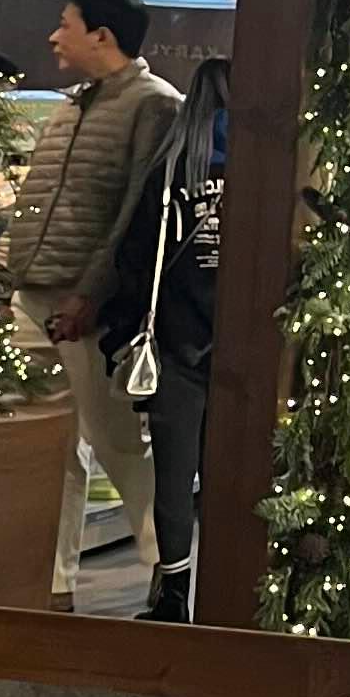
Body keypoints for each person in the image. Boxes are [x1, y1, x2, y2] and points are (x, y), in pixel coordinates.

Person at [0, 0, 181, 599]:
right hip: (33, 295)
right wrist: (7, 270)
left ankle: (169, 567)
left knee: (117, 442)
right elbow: (38, 200)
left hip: (92, 309)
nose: (54, 36)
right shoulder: (70, 106)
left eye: (66, 24)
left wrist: (92, 294)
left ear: (101, 36)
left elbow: (137, 214)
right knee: (44, 447)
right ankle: (48, 583)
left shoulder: (155, 106)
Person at [99, 53, 228, 620]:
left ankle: (174, 592)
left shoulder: (171, 173)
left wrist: (121, 330)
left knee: (173, 477)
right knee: (230, 475)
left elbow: (134, 261)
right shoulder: (266, 173)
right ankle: (227, 590)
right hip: (241, 352)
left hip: (175, 346)